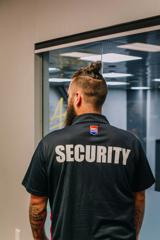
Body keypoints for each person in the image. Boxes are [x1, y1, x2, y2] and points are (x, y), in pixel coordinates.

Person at [22, 61, 155, 240]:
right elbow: (139, 198)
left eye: (69, 97)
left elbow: (37, 204)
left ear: (77, 97)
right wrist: (134, 235)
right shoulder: (131, 144)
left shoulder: (50, 144)